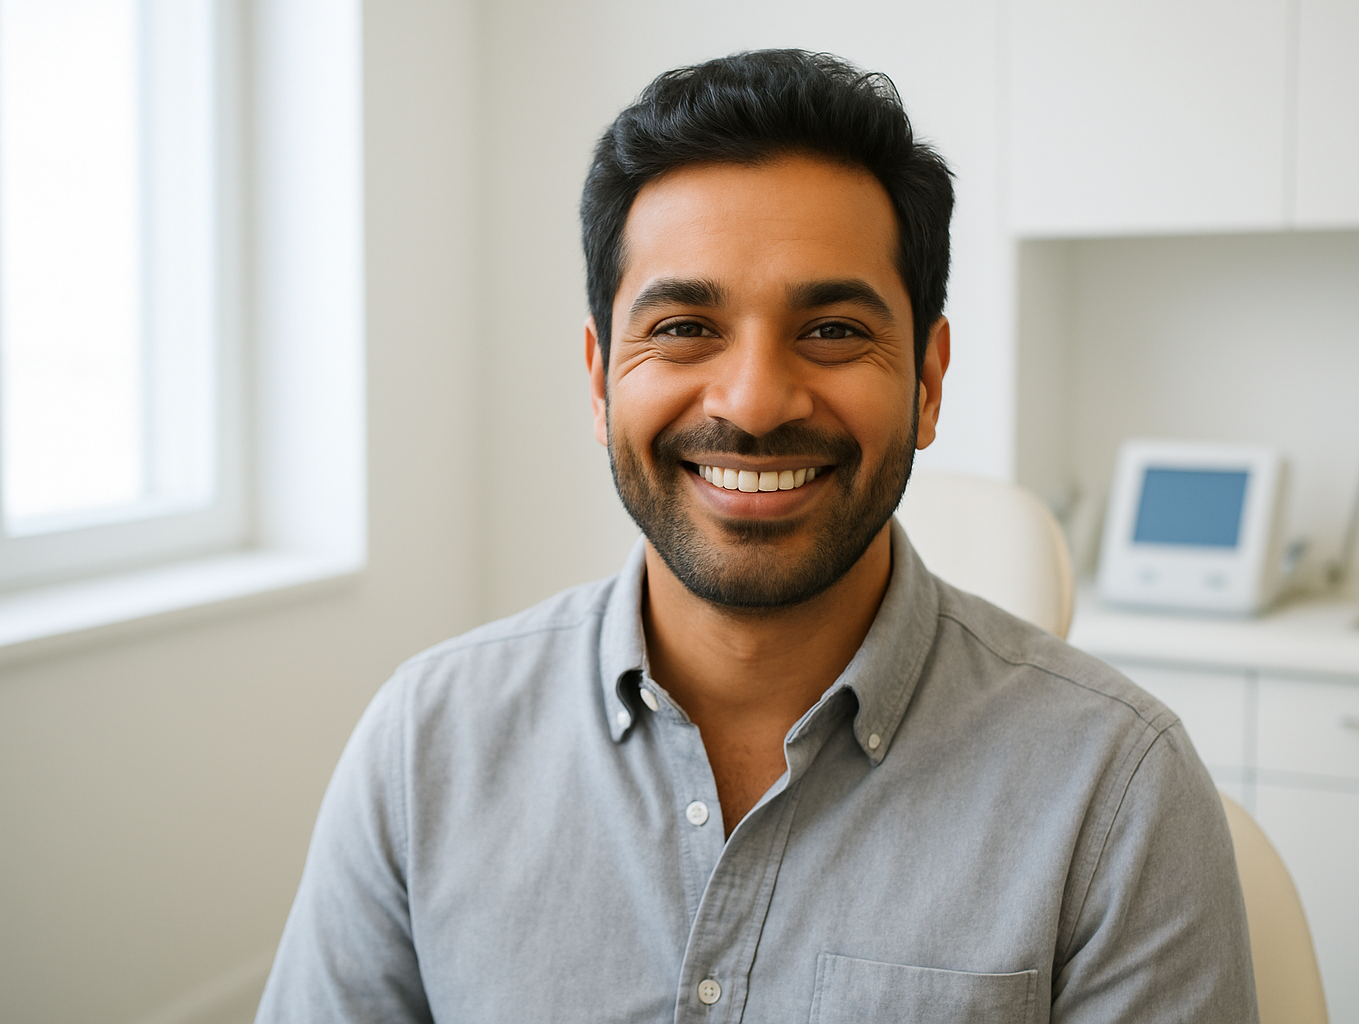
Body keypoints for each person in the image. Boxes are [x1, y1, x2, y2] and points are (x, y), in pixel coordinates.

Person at [256, 50, 1258, 1023]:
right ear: (602, 377)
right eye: (686, 326)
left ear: (929, 381)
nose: (754, 401)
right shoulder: (424, 747)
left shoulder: (1121, 793)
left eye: (830, 330)